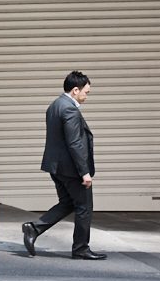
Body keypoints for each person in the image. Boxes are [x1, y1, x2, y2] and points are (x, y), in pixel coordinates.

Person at [22, 70, 102, 260]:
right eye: (86, 92)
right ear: (75, 90)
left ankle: (34, 228)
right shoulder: (69, 109)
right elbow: (75, 143)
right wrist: (84, 172)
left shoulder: (54, 105)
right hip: (71, 169)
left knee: (67, 203)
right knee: (84, 207)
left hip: (56, 167)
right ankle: (81, 248)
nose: (86, 96)